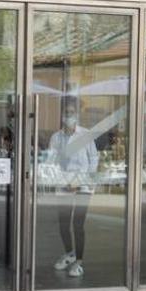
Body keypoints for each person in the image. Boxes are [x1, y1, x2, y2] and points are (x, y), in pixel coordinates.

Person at [47, 100, 98, 278]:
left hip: (83, 186)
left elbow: (94, 160)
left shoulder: (86, 135)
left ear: (77, 114)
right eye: (65, 113)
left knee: (77, 224)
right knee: (63, 224)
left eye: (71, 112)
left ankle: (79, 262)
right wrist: (62, 179)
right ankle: (70, 254)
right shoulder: (55, 138)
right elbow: (50, 162)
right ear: (61, 115)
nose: (68, 116)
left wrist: (82, 180)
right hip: (63, 185)